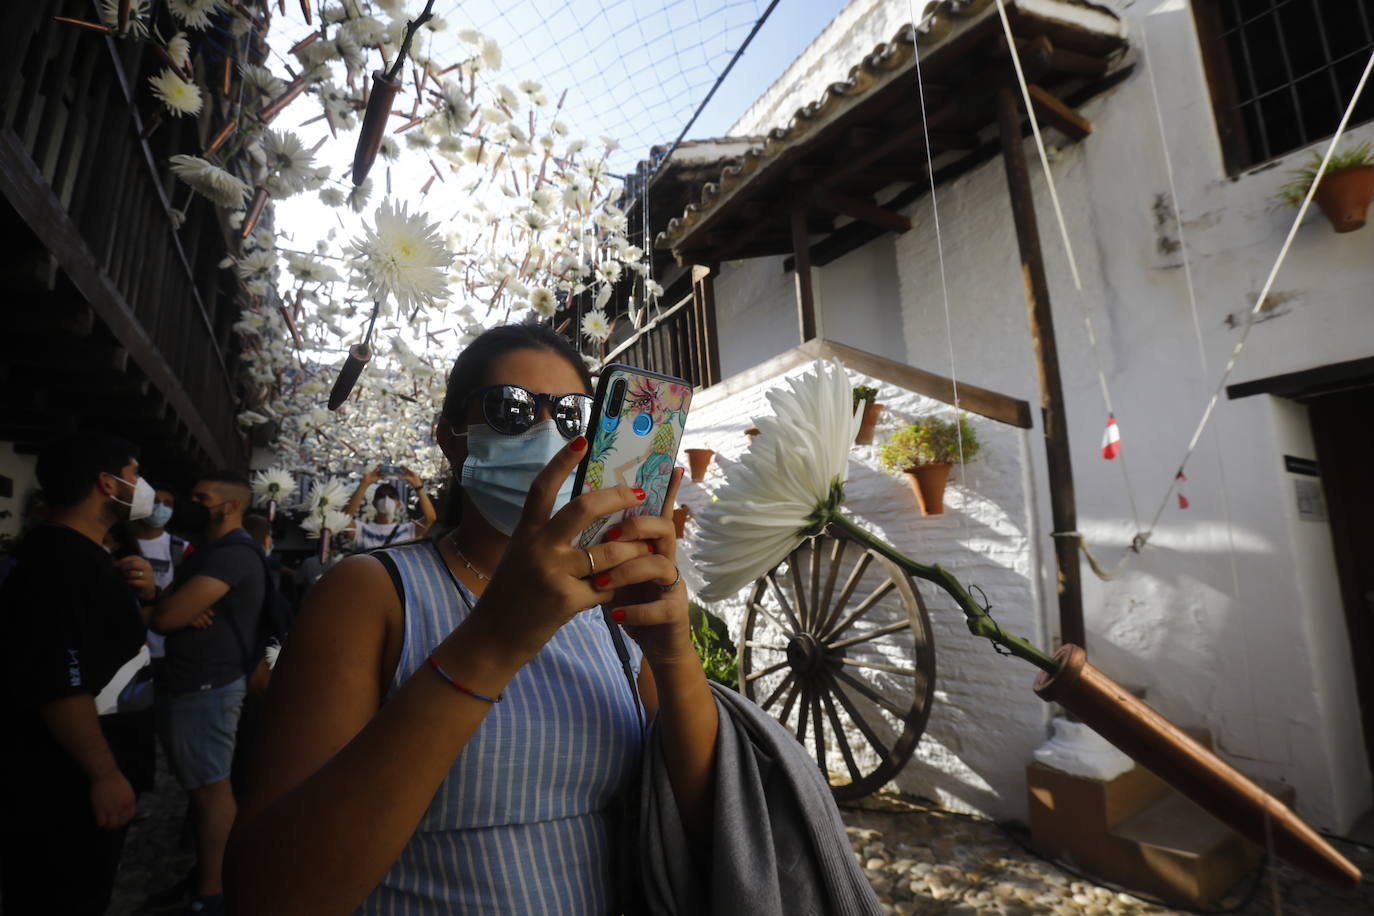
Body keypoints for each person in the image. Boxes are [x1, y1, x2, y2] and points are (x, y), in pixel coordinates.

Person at [225, 324, 719, 914]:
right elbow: (270, 892)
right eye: (508, 409)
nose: (543, 432)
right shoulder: (371, 595)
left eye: (570, 415)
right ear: (450, 438)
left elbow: (709, 821)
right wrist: (497, 640)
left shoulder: (610, 611)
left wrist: (672, 652)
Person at [0, 434, 157, 915]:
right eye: (133, 475)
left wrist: (146, 597)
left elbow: (110, 654)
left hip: (87, 771)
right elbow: (59, 677)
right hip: (64, 783)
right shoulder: (59, 562)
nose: (141, 486)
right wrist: (103, 772)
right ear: (106, 484)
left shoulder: (90, 557)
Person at [150, 473, 267, 916]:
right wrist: (173, 607)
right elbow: (171, 611)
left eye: (203, 498)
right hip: (194, 683)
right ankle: (206, 879)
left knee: (211, 792)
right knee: (202, 789)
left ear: (230, 506)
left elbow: (166, 616)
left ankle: (214, 892)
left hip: (208, 687)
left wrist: (172, 607)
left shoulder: (233, 555)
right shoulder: (212, 553)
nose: (192, 503)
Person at [342, 466, 437, 550]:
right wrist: (364, 484)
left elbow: (430, 518)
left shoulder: (408, 530)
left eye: (392, 496)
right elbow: (343, 520)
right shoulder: (362, 530)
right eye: (381, 495)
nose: (386, 499)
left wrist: (417, 485)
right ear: (374, 503)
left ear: (398, 504)